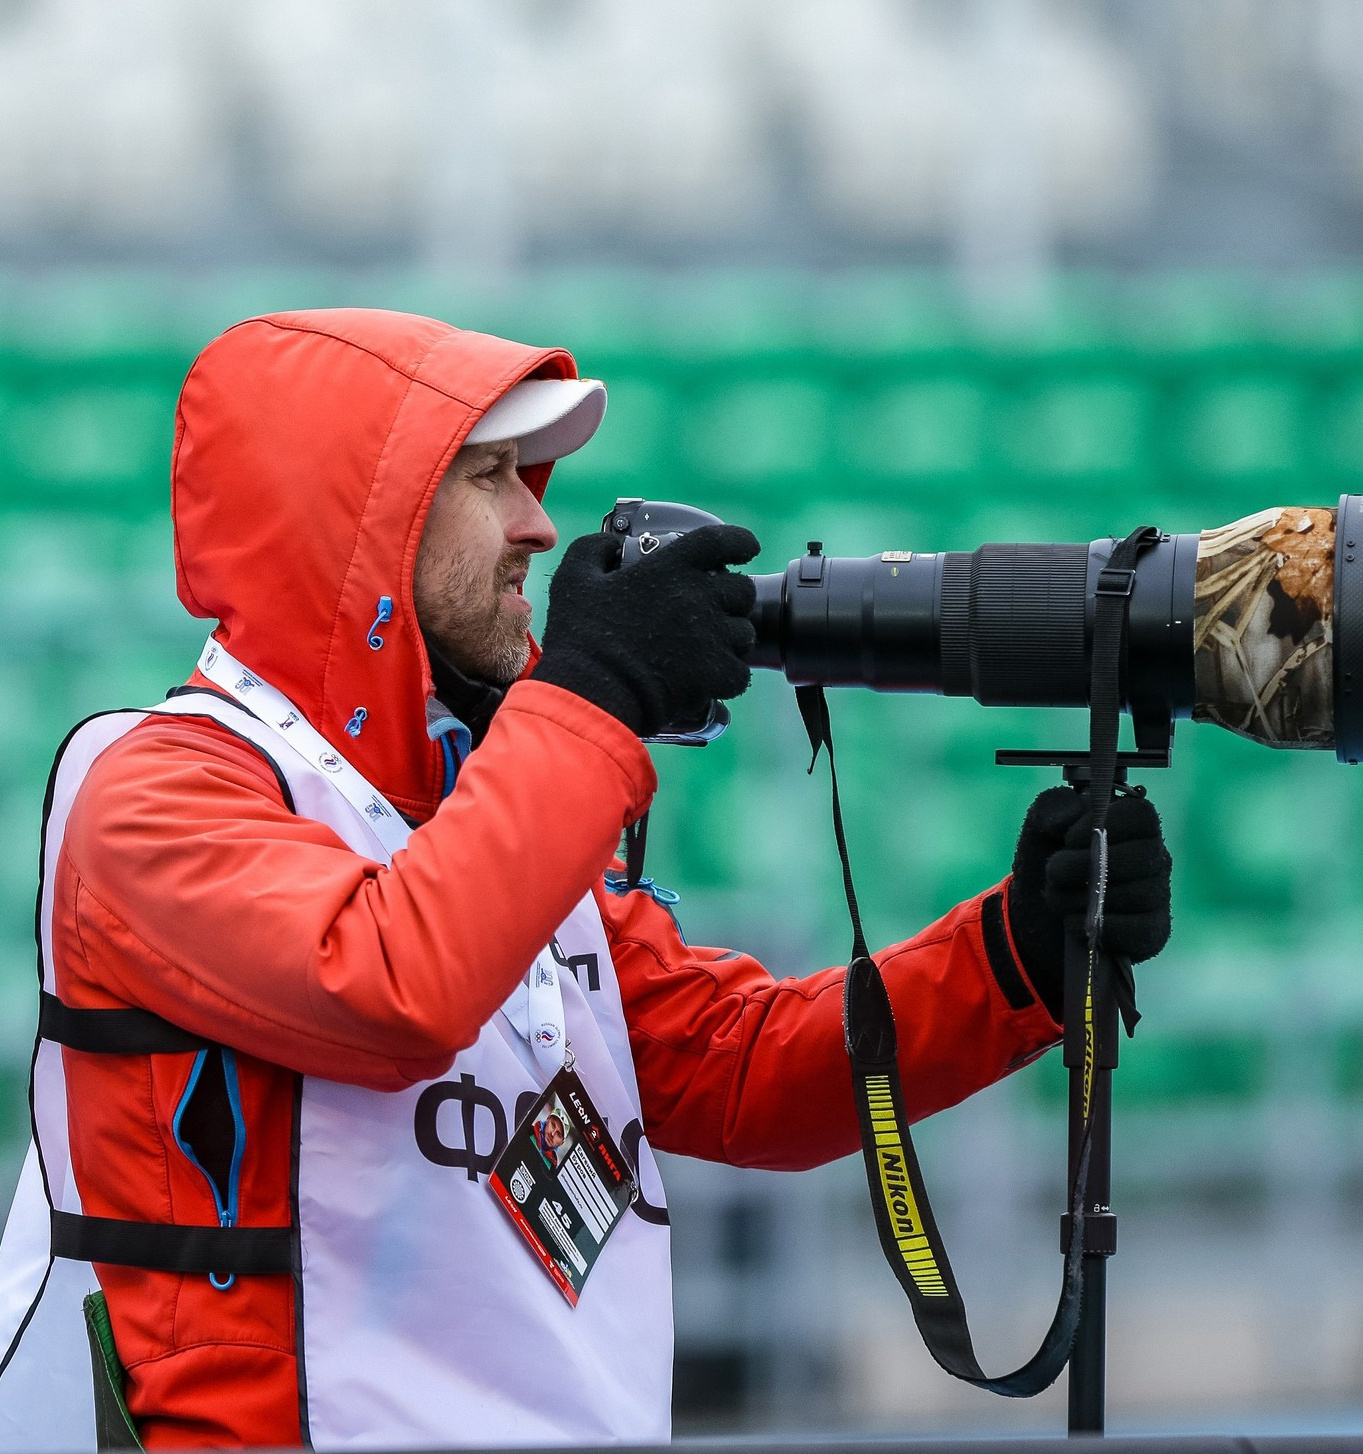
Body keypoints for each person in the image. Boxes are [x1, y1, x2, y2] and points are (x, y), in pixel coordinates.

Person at [0, 308, 1171, 1451]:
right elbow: (390, 982)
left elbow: (738, 1069)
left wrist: (1009, 953)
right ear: (358, 519)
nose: (537, 526)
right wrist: (592, 692)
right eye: (487, 476)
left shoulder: (483, 795)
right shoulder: (155, 791)